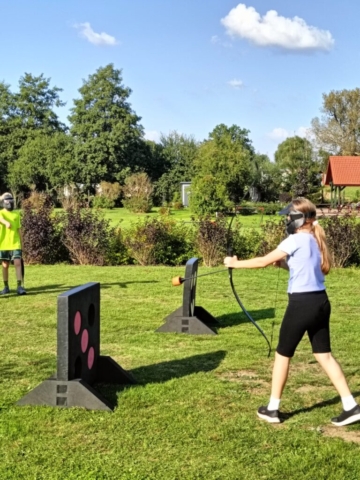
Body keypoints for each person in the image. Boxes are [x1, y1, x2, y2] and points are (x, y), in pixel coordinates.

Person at [224, 197, 360, 427]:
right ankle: (351, 407)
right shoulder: (314, 239)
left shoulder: (295, 239)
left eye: (289, 216)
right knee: (323, 355)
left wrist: (234, 263)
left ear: (299, 219)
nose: (286, 220)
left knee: (283, 354)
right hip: (320, 302)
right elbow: (301, 266)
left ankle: (272, 409)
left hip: (301, 305)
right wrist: (284, 264)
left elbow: (262, 261)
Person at [0, 193, 26, 295]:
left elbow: (19, 230)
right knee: (5, 265)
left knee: (17, 263)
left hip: (15, 243)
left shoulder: (17, 213)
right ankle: (6, 287)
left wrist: (22, 243)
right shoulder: (1, 213)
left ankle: (19, 287)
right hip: (3, 244)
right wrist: (6, 222)